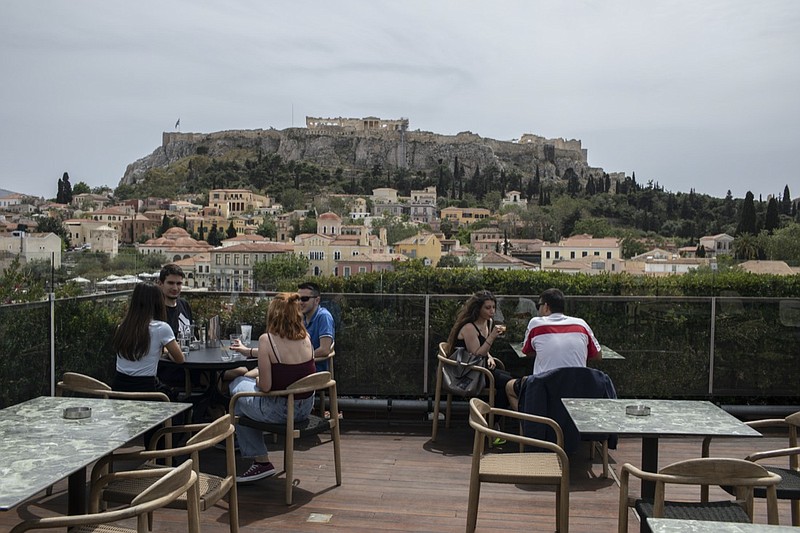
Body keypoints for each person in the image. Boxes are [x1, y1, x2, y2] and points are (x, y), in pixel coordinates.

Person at [229, 292, 317, 482]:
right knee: (243, 396)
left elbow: (266, 387)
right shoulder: (306, 337)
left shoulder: (266, 340)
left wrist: (257, 379)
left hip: (281, 411)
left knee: (237, 388)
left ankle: (260, 460)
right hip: (305, 408)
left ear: (273, 314)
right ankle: (256, 457)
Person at [506, 288, 602, 409]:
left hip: (544, 389)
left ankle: (530, 423)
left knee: (509, 387)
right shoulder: (581, 324)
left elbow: (527, 352)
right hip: (577, 388)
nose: (538, 310)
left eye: (538, 306)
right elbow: (598, 356)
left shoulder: (536, 323)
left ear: (545, 306)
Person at [111, 282, 185, 393]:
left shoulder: (122, 327)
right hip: (147, 392)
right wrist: (168, 351)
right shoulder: (161, 328)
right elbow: (180, 359)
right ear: (158, 302)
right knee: (175, 394)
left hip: (119, 391)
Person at [445, 290, 513, 409]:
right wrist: (492, 336)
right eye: (487, 308)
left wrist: (490, 356)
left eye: (493, 307)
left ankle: (490, 419)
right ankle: (489, 421)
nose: (492, 311)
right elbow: (476, 354)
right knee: (509, 383)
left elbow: (483, 348)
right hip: (470, 371)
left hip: (482, 367)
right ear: (478, 309)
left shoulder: (489, 322)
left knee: (511, 381)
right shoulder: (469, 327)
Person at [298, 282, 335, 371]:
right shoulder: (302, 318)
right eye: (298, 299)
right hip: (302, 368)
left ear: (317, 300)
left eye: (304, 299)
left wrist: (299, 359)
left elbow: (324, 350)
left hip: (315, 371)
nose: (300, 302)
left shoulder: (323, 317)